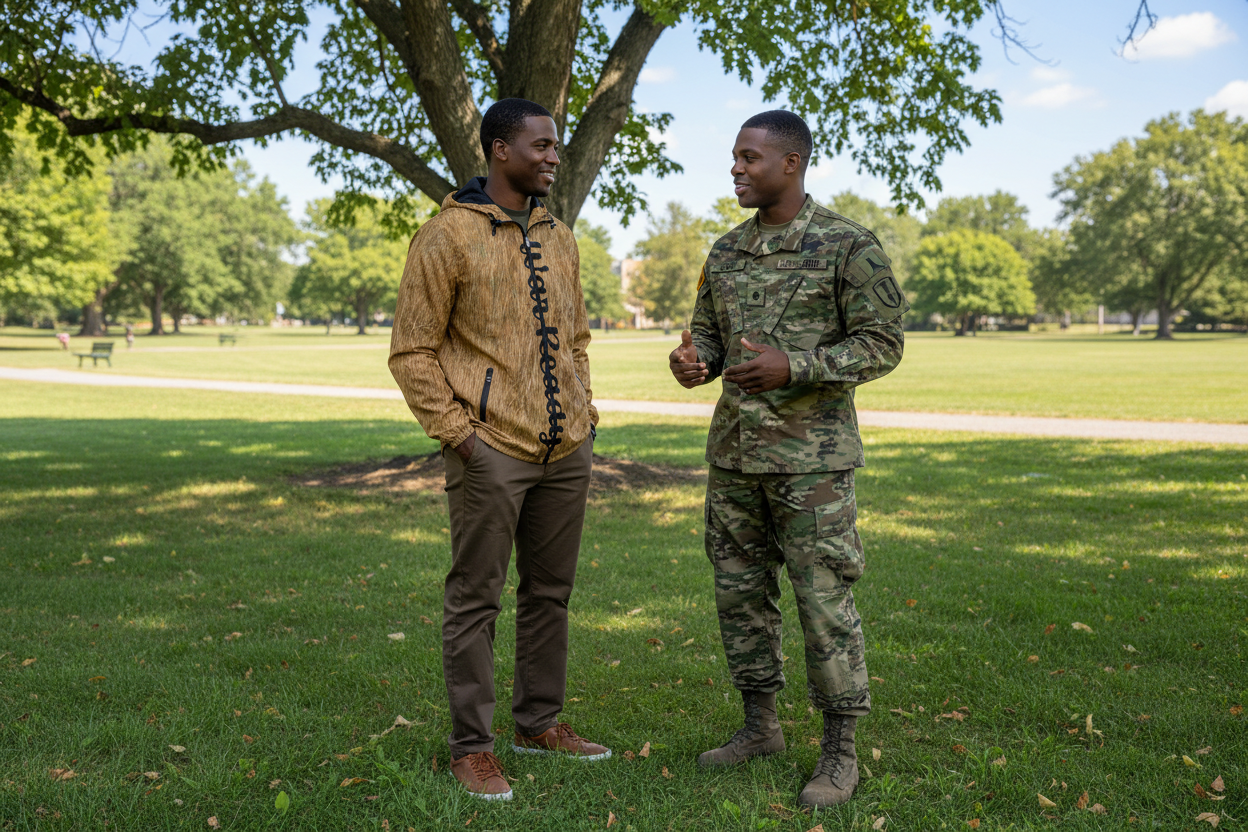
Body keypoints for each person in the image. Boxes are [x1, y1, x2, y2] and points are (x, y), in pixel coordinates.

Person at [668, 110, 908, 808]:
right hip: (736, 458)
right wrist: (692, 361)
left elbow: (883, 343)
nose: (736, 169)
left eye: (749, 158)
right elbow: (709, 337)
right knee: (739, 598)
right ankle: (759, 727)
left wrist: (795, 366)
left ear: (791, 163)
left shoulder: (846, 245)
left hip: (811, 467)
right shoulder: (726, 251)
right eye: (735, 158)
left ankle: (840, 750)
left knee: (822, 600)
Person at [389, 98, 608, 802]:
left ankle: (538, 724)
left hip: (566, 449)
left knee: (550, 592)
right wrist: (461, 437)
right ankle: (472, 748)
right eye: (540, 145)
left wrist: (586, 413)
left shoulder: (561, 237)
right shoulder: (445, 236)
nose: (552, 156)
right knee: (475, 599)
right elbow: (412, 352)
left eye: (556, 146)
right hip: (489, 450)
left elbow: (575, 339)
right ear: (498, 150)